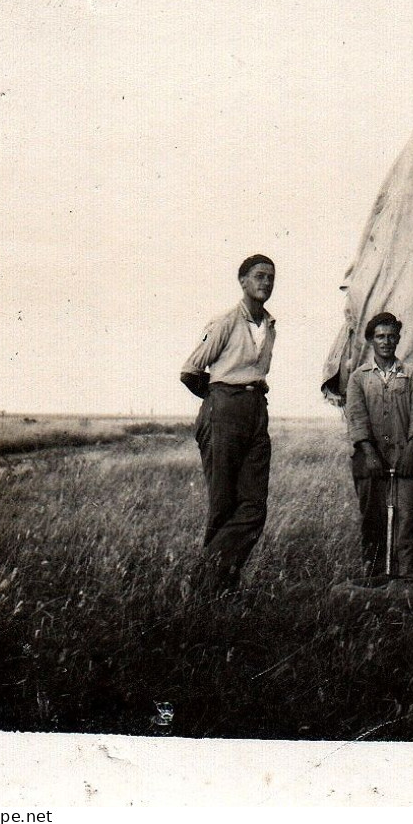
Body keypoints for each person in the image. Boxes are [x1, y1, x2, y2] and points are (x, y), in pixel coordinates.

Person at [180, 254, 277, 597]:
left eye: (270, 277)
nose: (265, 283)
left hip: (256, 411)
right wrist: (221, 395)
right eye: (259, 276)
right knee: (223, 505)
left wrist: (249, 395)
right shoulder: (224, 322)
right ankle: (215, 592)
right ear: (243, 282)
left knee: (253, 507)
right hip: (223, 410)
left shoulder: (271, 326)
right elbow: (190, 370)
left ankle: (203, 577)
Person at [344, 312, 413, 577]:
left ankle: (406, 584)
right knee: (374, 523)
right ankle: (375, 582)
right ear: (371, 340)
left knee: (407, 524)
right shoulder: (358, 377)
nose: (386, 341)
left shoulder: (411, 374)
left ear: (398, 339)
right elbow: (357, 418)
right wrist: (369, 453)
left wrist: (412, 450)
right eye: (380, 336)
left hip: (406, 460)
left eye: (392, 336)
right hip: (371, 462)